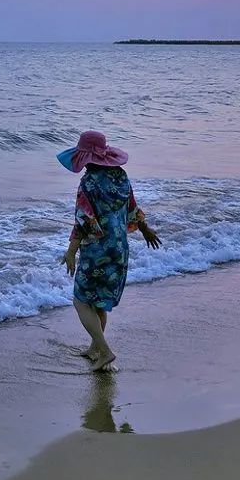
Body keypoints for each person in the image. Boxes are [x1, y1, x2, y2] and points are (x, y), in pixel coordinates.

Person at [58, 131, 161, 372]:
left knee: (81, 301)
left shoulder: (89, 183)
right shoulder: (121, 176)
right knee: (99, 302)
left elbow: (83, 221)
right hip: (119, 249)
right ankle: (95, 348)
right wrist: (146, 230)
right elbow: (133, 208)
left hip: (97, 250)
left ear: (85, 158)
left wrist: (71, 252)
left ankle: (105, 351)